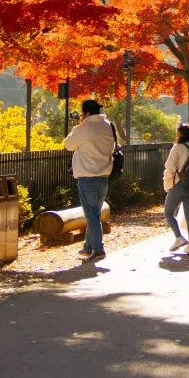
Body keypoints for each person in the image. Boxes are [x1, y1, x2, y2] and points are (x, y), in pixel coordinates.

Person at [63, 99, 118, 260]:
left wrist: (77, 126)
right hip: (103, 175)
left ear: (86, 112)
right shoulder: (107, 125)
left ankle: (98, 248)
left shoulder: (84, 127)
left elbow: (68, 144)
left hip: (87, 176)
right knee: (95, 213)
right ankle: (88, 246)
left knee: (91, 215)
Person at [163, 123, 189, 253]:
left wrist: (167, 185)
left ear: (180, 134)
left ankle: (179, 237)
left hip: (179, 185)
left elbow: (170, 168)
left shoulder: (178, 147)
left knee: (168, 212)